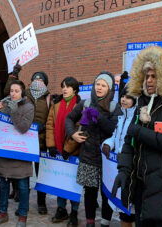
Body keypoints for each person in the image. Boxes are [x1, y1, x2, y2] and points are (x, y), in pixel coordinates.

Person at [111, 46, 162, 227]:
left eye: (154, 76)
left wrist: (139, 131)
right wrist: (123, 170)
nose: (149, 80)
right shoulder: (142, 104)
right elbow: (129, 142)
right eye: (146, 76)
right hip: (143, 190)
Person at [65, 71, 120, 227]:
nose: (100, 88)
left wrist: (99, 117)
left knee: (106, 193)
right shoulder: (85, 103)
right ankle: (90, 223)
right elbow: (69, 118)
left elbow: (114, 130)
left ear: (109, 88)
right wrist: (72, 134)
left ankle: (105, 223)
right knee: (90, 192)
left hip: (106, 159)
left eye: (103, 85)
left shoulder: (115, 107)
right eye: (97, 84)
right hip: (88, 156)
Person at [0, 80, 34, 227]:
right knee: (3, 183)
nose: (13, 94)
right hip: (4, 150)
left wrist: (13, 110)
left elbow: (23, 128)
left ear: (22, 93)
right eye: (11, 91)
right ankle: (2, 212)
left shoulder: (29, 107)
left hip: (20, 151)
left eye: (16, 91)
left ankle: (22, 215)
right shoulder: (5, 105)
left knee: (22, 185)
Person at [46, 77, 82, 226]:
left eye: (68, 87)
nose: (65, 89)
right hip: (58, 150)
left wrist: (68, 148)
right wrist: (51, 145)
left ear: (75, 90)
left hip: (74, 153)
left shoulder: (80, 106)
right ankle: (61, 209)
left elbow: (79, 128)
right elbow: (50, 125)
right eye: (63, 86)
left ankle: (74, 213)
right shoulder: (56, 104)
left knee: (73, 184)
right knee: (60, 182)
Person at [101, 86, 136, 227]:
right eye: (122, 96)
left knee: (130, 210)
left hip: (130, 168)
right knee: (123, 207)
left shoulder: (137, 119)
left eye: (128, 97)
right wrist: (107, 144)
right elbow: (115, 137)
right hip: (119, 166)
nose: (124, 100)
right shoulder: (122, 118)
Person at [26, 71, 51, 214]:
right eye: (35, 79)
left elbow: (51, 117)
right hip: (26, 141)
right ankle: (23, 200)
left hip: (41, 142)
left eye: (41, 79)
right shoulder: (25, 94)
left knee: (41, 174)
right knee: (24, 173)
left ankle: (41, 202)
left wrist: (44, 127)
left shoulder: (48, 98)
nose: (38, 81)